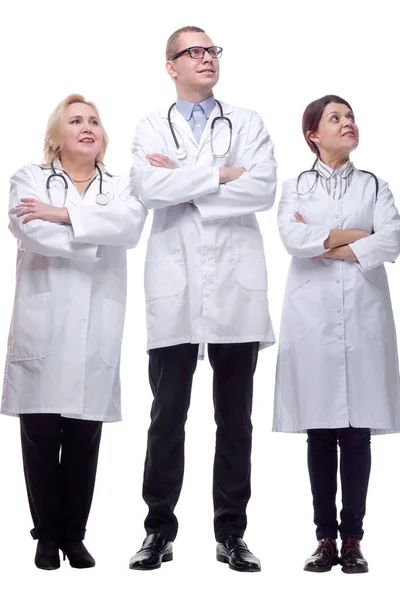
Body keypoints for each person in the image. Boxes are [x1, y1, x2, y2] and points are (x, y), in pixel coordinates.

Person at [128, 25, 276, 573]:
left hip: (236, 286)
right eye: (195, 51)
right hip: (175, 286)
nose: (207, 58)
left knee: (234, 419)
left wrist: (187, 180)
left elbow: (262, 188)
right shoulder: (149, 127)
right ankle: (156, 530)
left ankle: (231, 534)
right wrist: (221, 174)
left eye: (212, 50)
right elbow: (147, 188)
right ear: (171, 65)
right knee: (167, 416)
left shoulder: (248, 121)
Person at [2, 94, 147, 570]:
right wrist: (93, 233)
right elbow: (29, 229)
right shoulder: (29, 177)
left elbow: (128, 228)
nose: (88, 127)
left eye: (95, 121)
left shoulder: (121, 185)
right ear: (56, 136)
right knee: (41, 434)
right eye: (76, 121)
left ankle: (75, 536)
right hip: (44, 323)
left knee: (84, 438)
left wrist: (63, 214)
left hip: (95, 326)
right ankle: (46, 537)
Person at [273, 94, 400, 574]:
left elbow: (391, 239)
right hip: (313, 320)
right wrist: (355, 235)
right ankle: (324, 538)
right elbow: (292, 238)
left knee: (358, 431)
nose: (347, 123)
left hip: (364, 319)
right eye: (335, 118)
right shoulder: (296, 187)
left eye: (350, 117)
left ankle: (353, 540)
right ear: (313, 133)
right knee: (321, 432)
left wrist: (326, 238)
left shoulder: (374, 185)